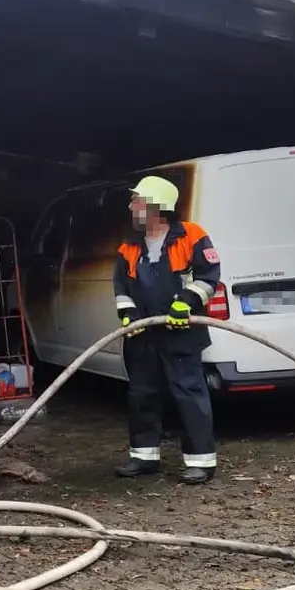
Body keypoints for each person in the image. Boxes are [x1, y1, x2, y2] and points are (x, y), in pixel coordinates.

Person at [113, 175, 222, 485]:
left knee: (188, 393)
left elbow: (208, 276)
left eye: (137, 201)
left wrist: (186, 302)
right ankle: (144, 458)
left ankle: (201, 462)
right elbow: (121, 287)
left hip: (181, 332)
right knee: (142, 395)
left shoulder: (191, 235)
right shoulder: (129, 246)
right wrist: (128, 314)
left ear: (156, 206)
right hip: (143, 335)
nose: (131, 206)